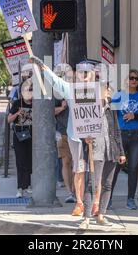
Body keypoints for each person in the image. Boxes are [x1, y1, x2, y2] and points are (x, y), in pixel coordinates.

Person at [30, 56, 97, 217]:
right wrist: (41, 66)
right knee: (79, 170)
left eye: (87, 72)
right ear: (76, 74)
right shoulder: (70, 89)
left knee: (96, 172)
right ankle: (79, 203)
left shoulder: (99, 90)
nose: (84, 74)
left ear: (93, 74)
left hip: (94, 138)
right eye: (81, 72)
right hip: (75, 137)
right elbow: (54, 81)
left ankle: (96, 203)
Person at [79, 85, 126, 230]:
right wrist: (84, 139)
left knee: (107, 184)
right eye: (107, 89)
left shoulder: (111, 108)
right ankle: (86, 218)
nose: (109, 92)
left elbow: (116, 130)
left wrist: (121, 152)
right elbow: (81, 128)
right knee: (91, 184)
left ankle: (101, 215)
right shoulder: (89, 108)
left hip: (111, 150)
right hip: (95, 151)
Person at [110, 69, 138, 210]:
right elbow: (111, 115)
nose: (134, 81)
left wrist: (135, 116)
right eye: (131, 78)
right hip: (121, 134)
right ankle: (107, 199)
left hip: (137, 135)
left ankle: (131, 199)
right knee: (114, 167)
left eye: (137, 79)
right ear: (126, 80)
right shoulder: (119, 95)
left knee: (133, 167)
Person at [7, 79, 33, 198]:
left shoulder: (37, 103)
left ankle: (28, 185)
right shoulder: (17, 103)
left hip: (32, 135)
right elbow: (8, 120)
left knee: (29, 161)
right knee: (20, 161)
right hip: (20, 135)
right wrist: (17, 113)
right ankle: (20, 187)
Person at [54, 66, 76, 203]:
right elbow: (49, 111)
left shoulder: (81, 90)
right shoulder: (58, 93)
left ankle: (75, 191)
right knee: (66, 162)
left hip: (79, 133)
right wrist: (62, 107)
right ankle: (69, 192)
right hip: (63, 133)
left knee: (77, 164)